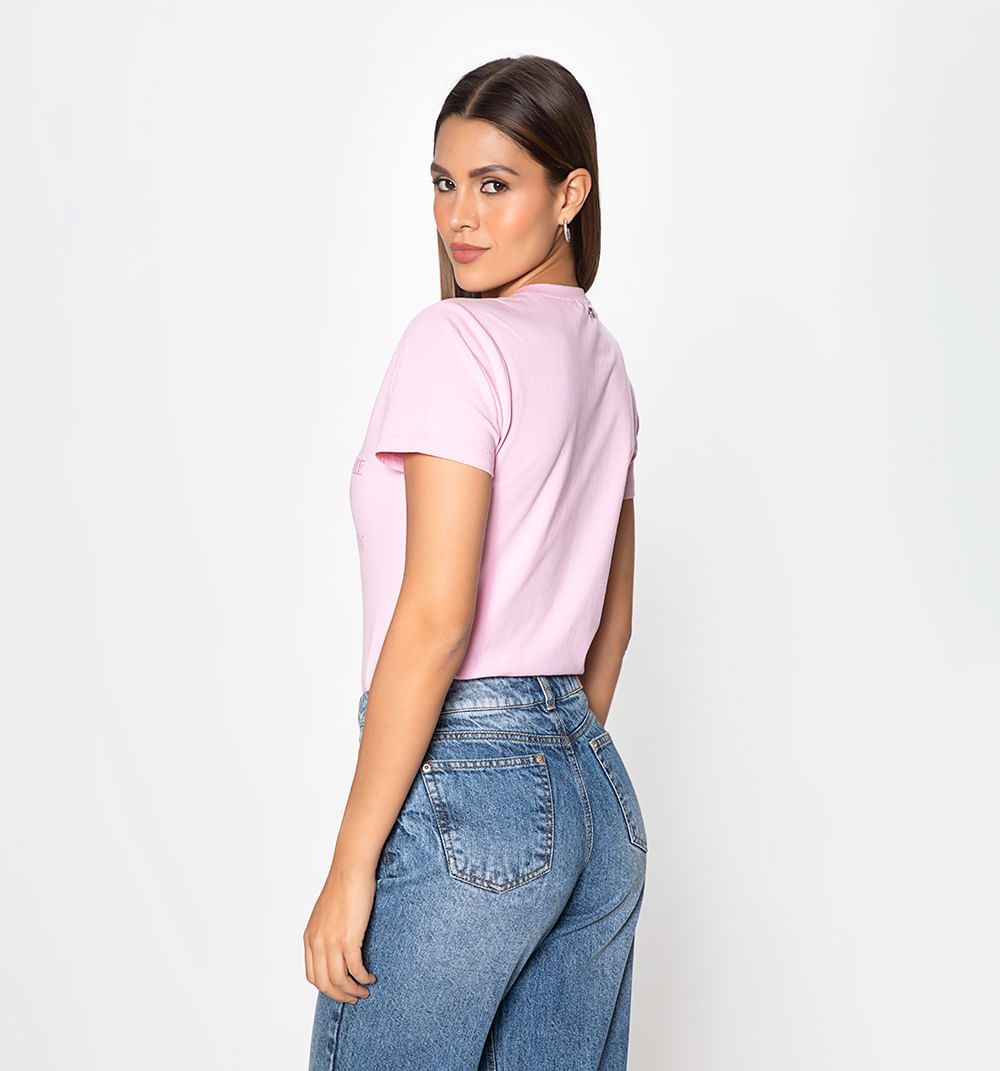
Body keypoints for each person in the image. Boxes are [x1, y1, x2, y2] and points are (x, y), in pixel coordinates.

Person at [304, 54, 647, 1070]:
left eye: (495, 185)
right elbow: (614, 623)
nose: (459, 216)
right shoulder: (605, 363)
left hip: (467, 782)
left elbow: (436, 616)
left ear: (569, 195)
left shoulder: (454, 341)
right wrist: (550, 766)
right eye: (444, 182)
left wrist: (351, 864)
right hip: (595, 802)